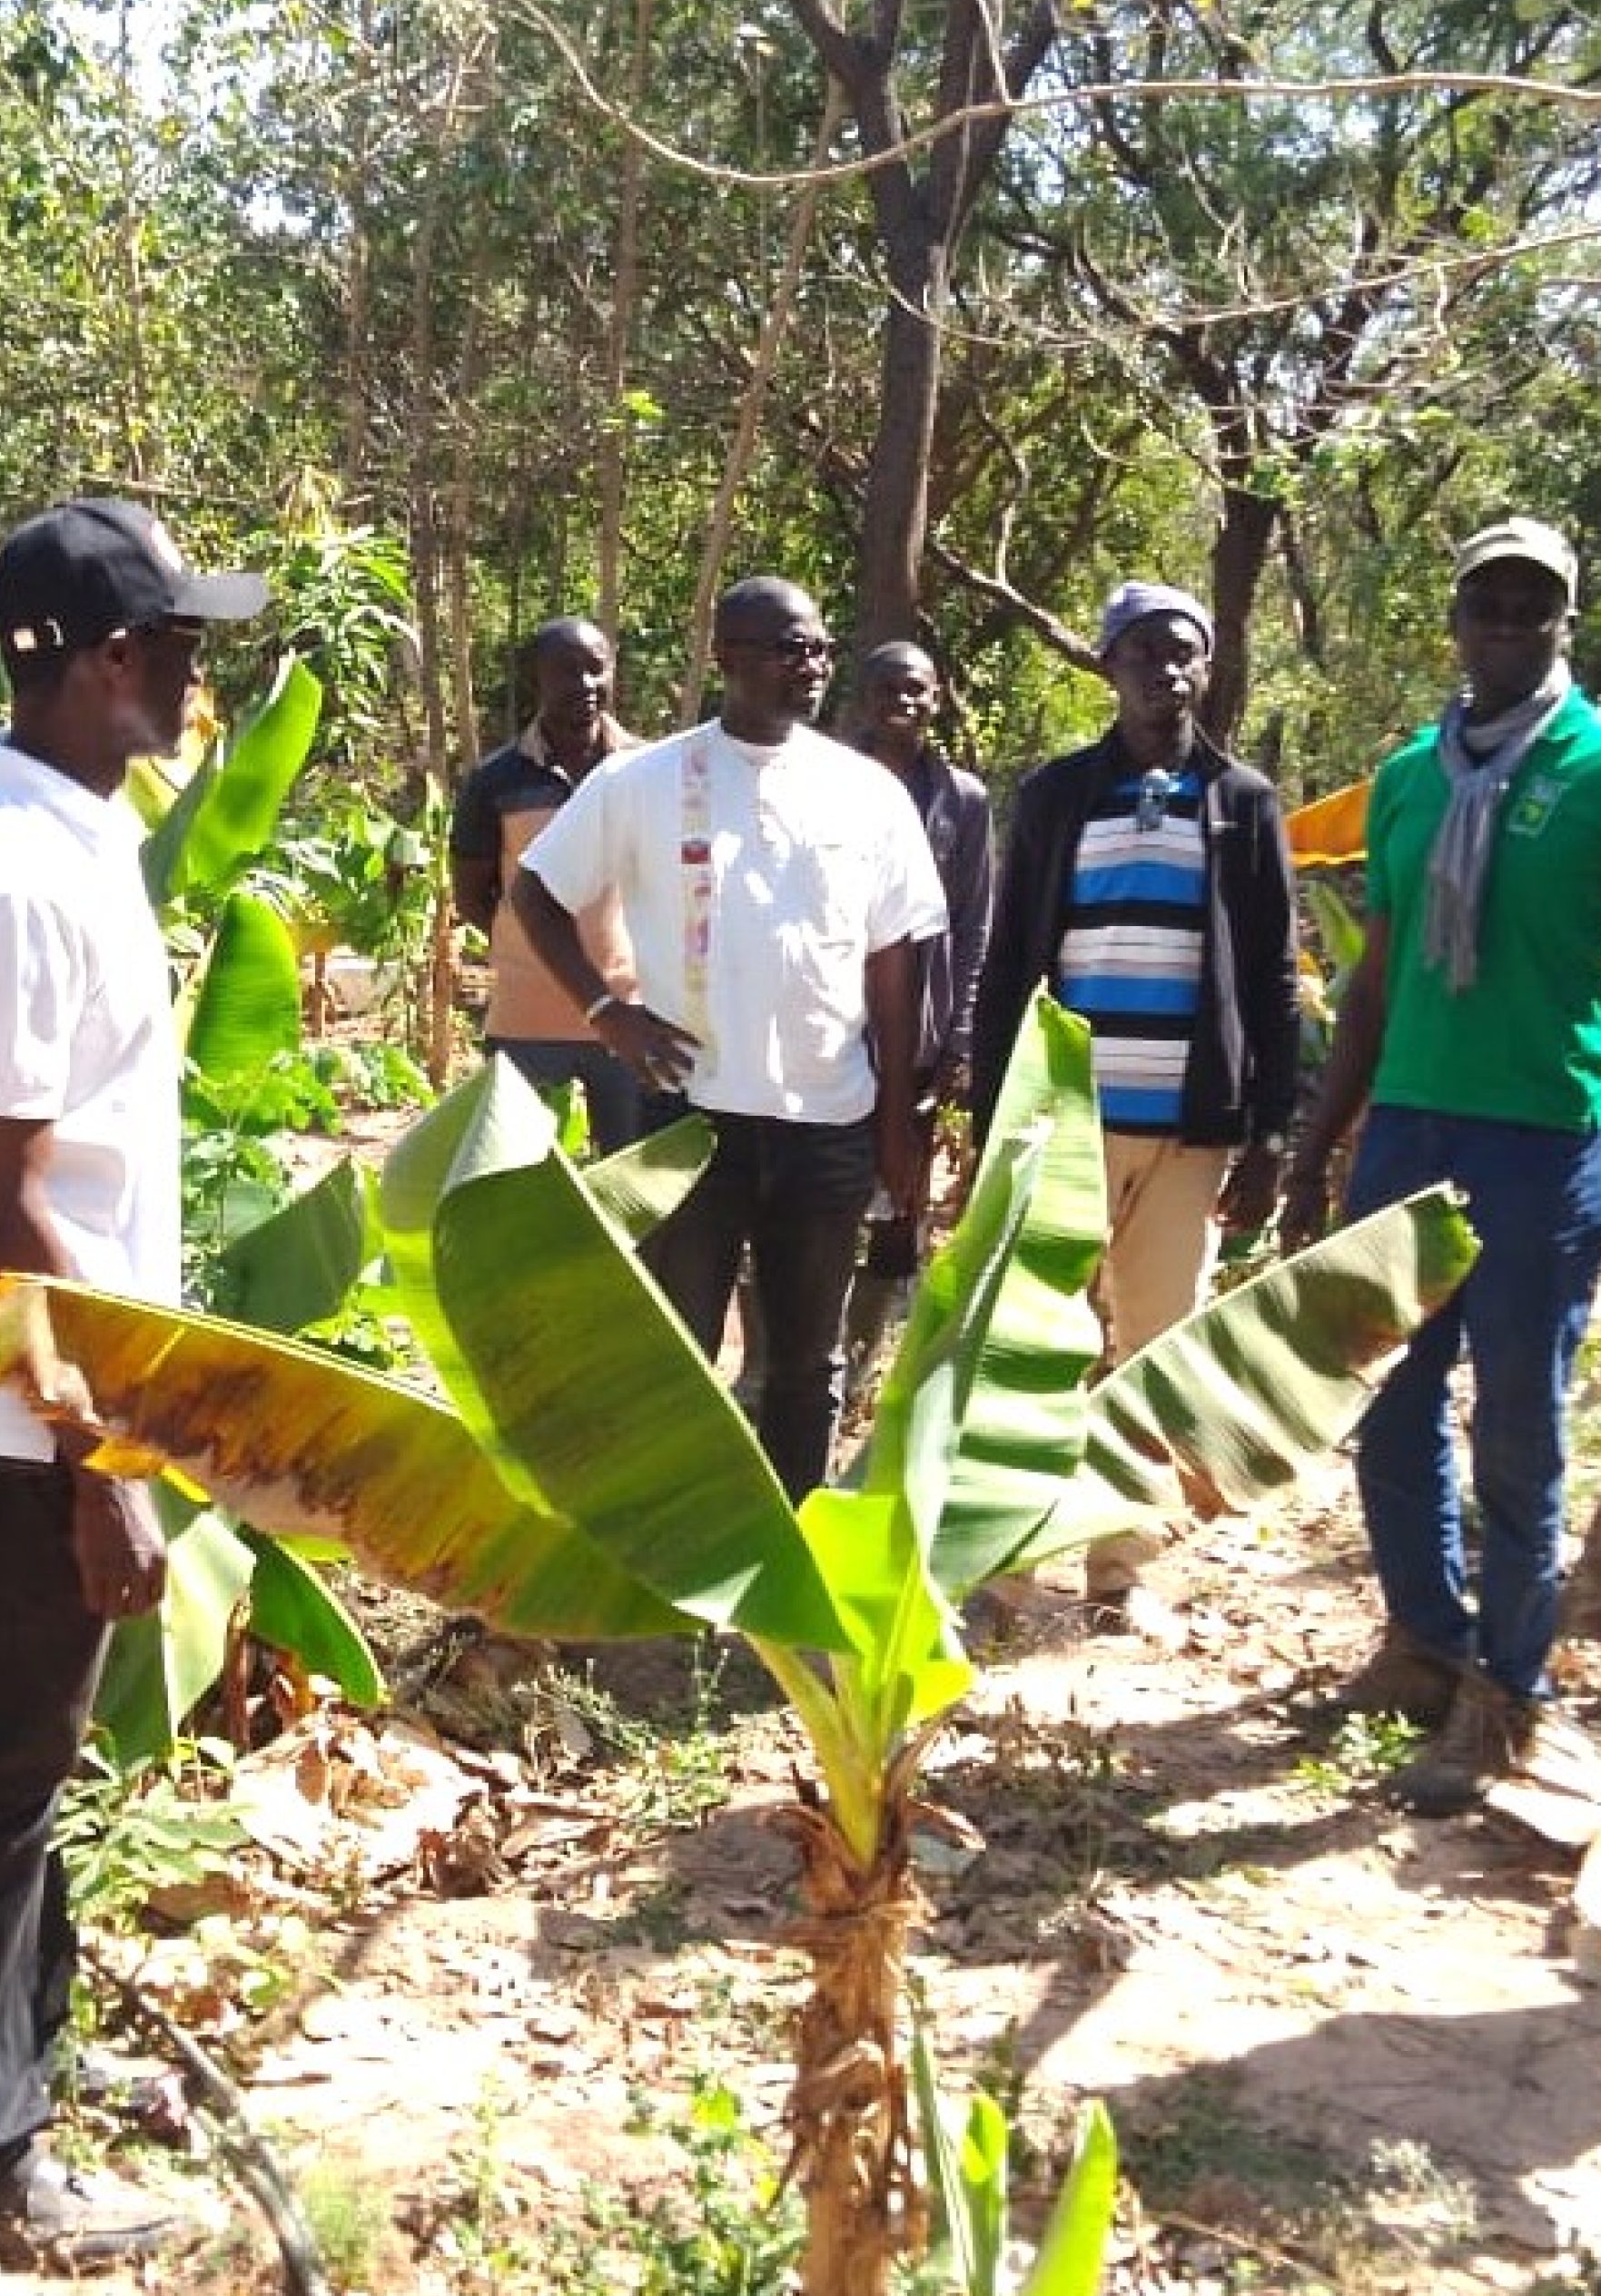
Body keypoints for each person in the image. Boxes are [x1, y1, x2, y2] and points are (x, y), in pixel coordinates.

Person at [0, 496, 264, 2268]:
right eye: (184, 646)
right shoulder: (14, 875)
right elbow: (1, 1199)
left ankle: (26, 2073)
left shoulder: (74, 833)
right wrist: (97, 1456)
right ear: (109, 664)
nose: (201, 675)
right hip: (26, 1413)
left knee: (27, 1769)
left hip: (58, 1395)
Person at [1280, 517, 1601, 1814]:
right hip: (1411, 1132)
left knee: (1521, 1430)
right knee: (1389, 1405)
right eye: (1487, 602)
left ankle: (1508, 1693)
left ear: (1564, 622)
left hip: (1542, 1138)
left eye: (1532, 605)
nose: (1506, 625)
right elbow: (1372, 978)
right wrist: (1320, 1142)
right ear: (1457, 617)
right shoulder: (1411, 779)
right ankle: (1424, 1641)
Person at [510, 574, 947, 1498]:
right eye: (790, 648)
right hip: (693, 1118)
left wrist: (900, 1120)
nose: (813, 665)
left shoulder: (865, 792)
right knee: (677, 1349)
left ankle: (786, 1566)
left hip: (829, 1122)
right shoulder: (644, 780)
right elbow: (535, 891)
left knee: (806, 1364)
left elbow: (892, 961)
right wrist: (605, 1011)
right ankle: (666, 1548)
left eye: (820, 648)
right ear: (729, 660)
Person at [970, 580, 1300, 1617]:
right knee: (1030, 1351)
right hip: (1061, 1125)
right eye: (1145, 653)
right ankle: (1006, 1571)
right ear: (1108, 665)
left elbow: (1274, 976)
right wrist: (991, 1120)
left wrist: (1271, 1134)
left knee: (1152, 1351)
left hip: (1186, 1130)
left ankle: (1119, 1572)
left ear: (1205, 669)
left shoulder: (1239, 800)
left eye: (1185, 653)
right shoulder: (1058, 795)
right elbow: (1008, 958)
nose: (1167, 671)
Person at [450, 616, 646, 1150]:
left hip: (629, 1016)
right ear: (537, 679)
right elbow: (472, 893)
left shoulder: (647, 771)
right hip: (525, 1018)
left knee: (631, 1186)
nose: (584, 685)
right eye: (565, 671)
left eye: (595, 669)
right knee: (516, 1181)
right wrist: (525, 945)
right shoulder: (497, 782)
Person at [852, 639, 993, 1111]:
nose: (902, 702)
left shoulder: (963, 800)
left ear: (937, 698)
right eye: (886, 690)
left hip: (920, 1036)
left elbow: (974, 922)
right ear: (863, 699)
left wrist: (962, 1037)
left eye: (915, 689)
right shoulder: (823, 786)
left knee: (904, 1177)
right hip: (832, 1031)